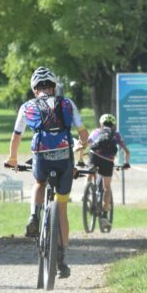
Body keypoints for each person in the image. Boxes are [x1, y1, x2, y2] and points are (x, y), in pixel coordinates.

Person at [5, 67, 89, 279]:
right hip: (64, 156)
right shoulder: (67, 103)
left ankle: (34, 215)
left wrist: (13, 159)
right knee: (61, 207)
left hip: (41, 155)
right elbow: (83, 133)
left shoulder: (27, 106)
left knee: (39, 183)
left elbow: (16, 136)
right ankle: (61, 257)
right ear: (54, 87)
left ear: (35, 90)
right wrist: (81, 145)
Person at [78, 113, 131, 231]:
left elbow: (84, 145)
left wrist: (80, 160)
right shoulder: (116, 134)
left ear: (101, 124)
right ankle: (105, 214)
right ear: (113, 125)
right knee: (106, 187)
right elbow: (127, 151)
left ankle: (86, 193)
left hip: (94, 156)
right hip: (108, 160)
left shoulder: (96, 132)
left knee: (90, 174)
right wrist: (126, 163)